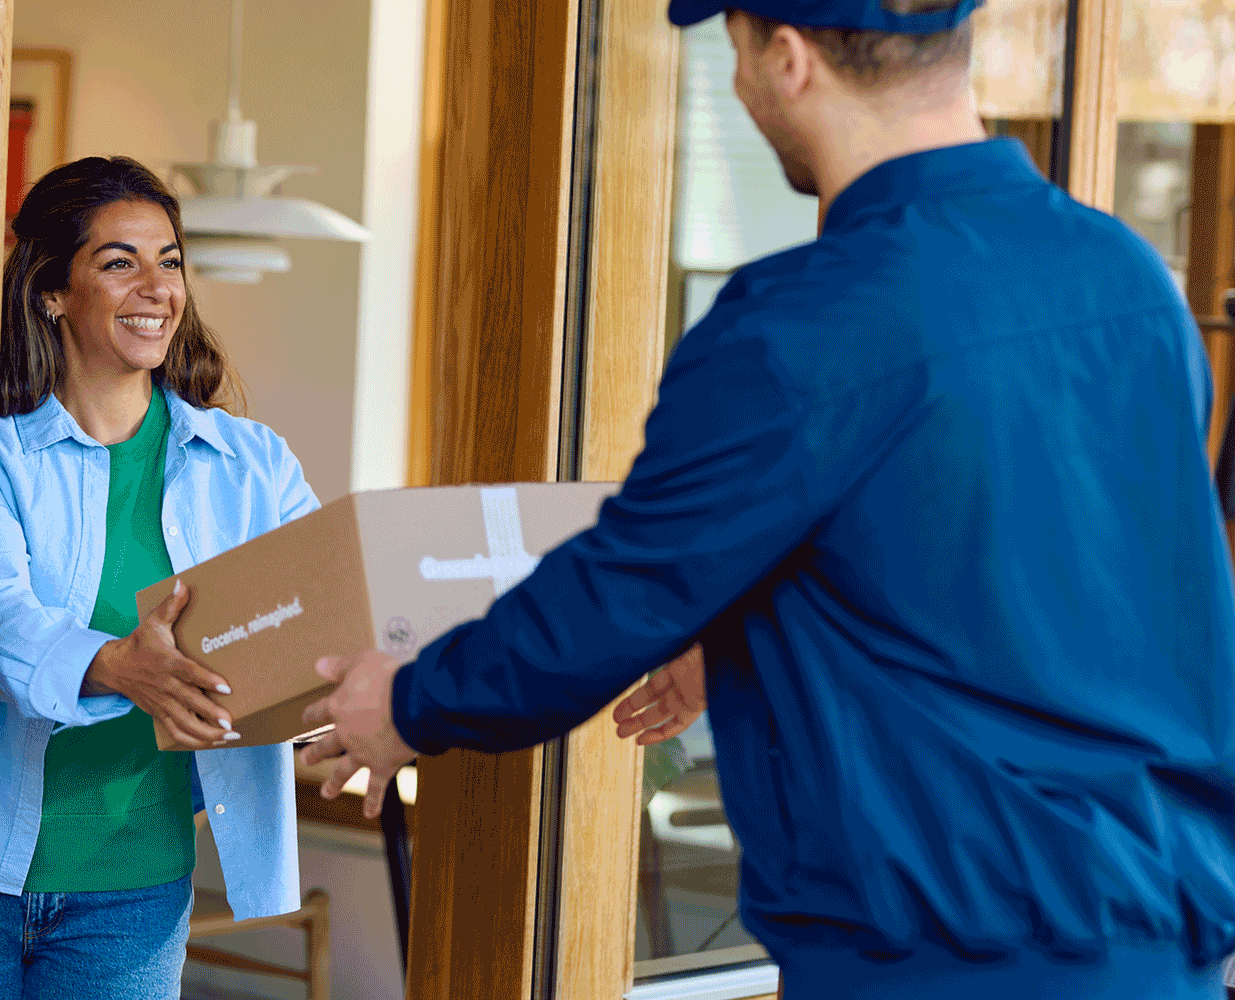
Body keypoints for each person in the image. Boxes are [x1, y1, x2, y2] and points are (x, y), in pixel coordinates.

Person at [300, 0, 1235, 996]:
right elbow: (1030, 581)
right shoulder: (1129, 277)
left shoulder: (802, 324)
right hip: (1157, 953)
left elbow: (616, 594)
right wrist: (758, 634)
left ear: (788, 59)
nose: (738, 86)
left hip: (944, 965)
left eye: (737, 53)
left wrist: (409, 702)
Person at [0, 156, 316, 1000]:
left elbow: (320, 608)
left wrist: (357, 695)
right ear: (53, 290)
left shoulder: (250, 464)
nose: (155, 286)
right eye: (119, 261)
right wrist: (115, 665)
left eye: (169, 261)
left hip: (134, 885)